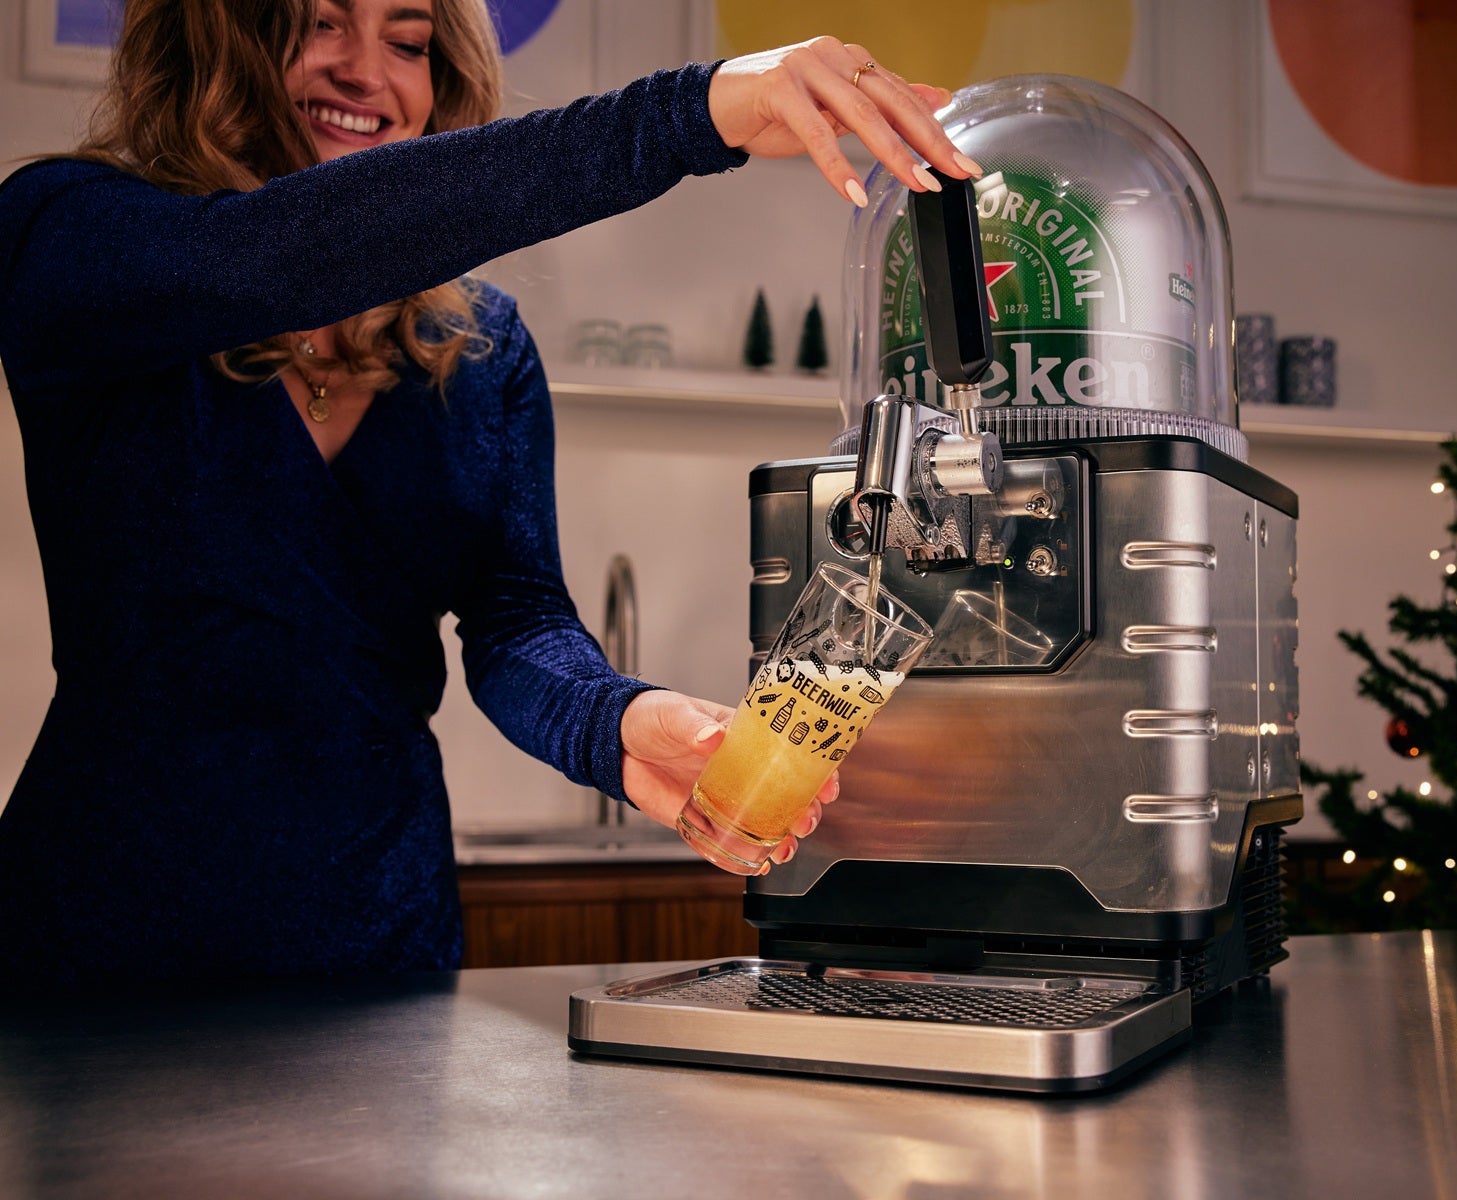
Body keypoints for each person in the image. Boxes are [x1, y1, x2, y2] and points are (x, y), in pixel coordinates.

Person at [0, 0, 979, 990]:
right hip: (100, 938)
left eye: (409, 40)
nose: (365, 71)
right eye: (319, 23)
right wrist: (693, 113)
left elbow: (514, 620)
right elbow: (262, 258)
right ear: (223, 40)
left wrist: (619, 724)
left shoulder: (484, 349)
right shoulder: (67, 234)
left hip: (374, 940)